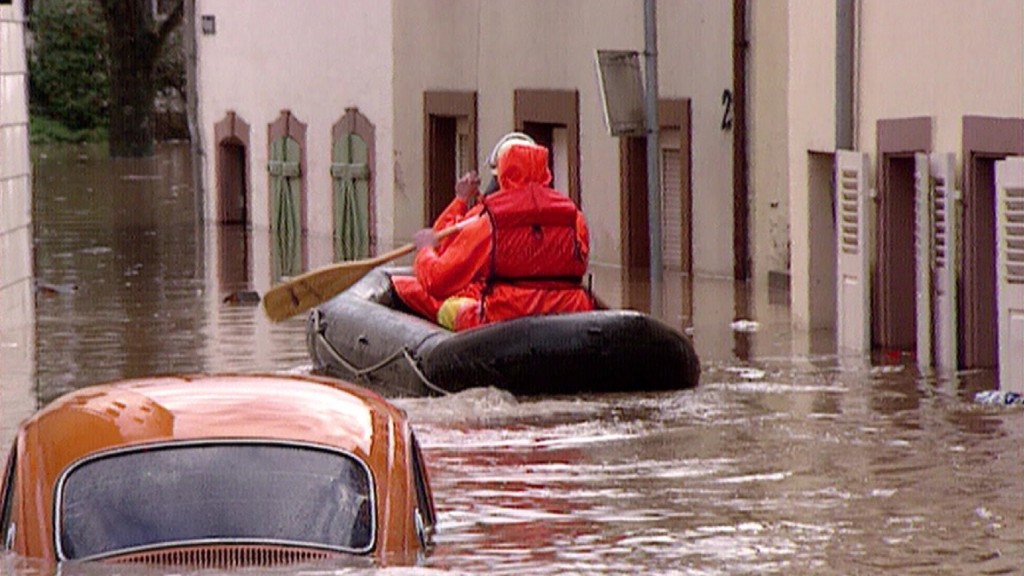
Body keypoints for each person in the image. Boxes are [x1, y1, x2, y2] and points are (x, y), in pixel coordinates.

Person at [407, 139, 594, 331]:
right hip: (570, 313)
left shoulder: (490, 221)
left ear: (503, 173)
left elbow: (438, 281)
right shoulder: (573, 216)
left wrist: (425, 250)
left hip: (505, 318)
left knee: (437, 303)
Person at [392, 132, 535, 321]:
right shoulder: (568, 217)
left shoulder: (488, 222)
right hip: (558, 308)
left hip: (502, 312)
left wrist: (425, 250)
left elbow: (439, 276)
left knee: (403, 286)